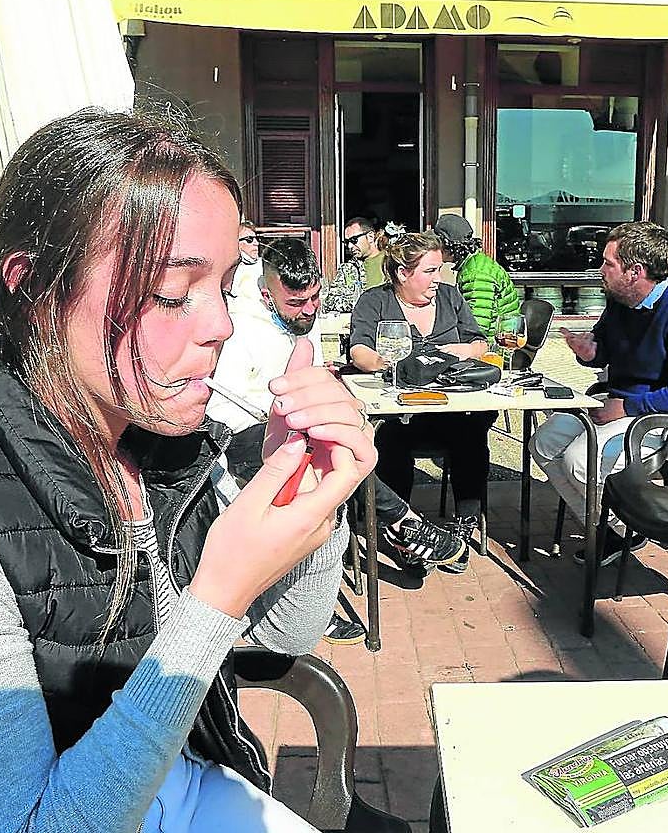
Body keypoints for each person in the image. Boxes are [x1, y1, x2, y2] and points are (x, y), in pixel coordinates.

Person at [0, 110, 378, 833]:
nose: (220, 327)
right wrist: (214, 598)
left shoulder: (161, 440)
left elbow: (281, 639)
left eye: (227, 287)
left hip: (183, 791)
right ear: (37, 289)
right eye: (173, 294)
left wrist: (308, 498)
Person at [209, 238, 464, 619]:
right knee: (325, 461)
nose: (310, 310)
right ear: (266, 292)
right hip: (243, 433)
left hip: (298, 427)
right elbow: (222, 404)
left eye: (315, 297)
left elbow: (312, 366)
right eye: (297, 302)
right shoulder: (239, 328)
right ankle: (402, 525)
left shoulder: (303, 314)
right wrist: (288, 409)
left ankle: (396, 531)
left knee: (347, 448)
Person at [530, 221, 668, 564]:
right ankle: (616, 530)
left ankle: (623, 528)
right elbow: (605, 347)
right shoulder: (621, 298)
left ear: (635, 272)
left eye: (608, 263)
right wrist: (590, 352)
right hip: (623, 403)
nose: (599, 270)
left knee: (580, 460)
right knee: (542, 444)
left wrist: (628, 407)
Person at [349, 225, 493, 573]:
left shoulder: (450, 297)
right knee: (391, 439)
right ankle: (405, 533)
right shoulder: (375, 301)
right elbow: (359, 351)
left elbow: (480, 344)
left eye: (440, 269)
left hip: (450, 409)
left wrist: (463, 350)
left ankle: (465, 522)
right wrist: (395, 364)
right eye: (430, 270)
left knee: (472, 434)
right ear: (403, 272)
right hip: (401, 410)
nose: (438, 278)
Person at [432, 213, 521, 338]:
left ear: (449, 246)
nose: (434, 250)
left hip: (495, 346)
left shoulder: (476, 276)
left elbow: (477, 327)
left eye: (437, 245)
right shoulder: (476, 263)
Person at [323, 217, 385, 316]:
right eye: (347, 242)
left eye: (354, 240)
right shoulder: (347, 269)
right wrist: (358, 303)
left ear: (370, 237)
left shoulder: (391, 262)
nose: (350, 246)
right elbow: (330, 301)